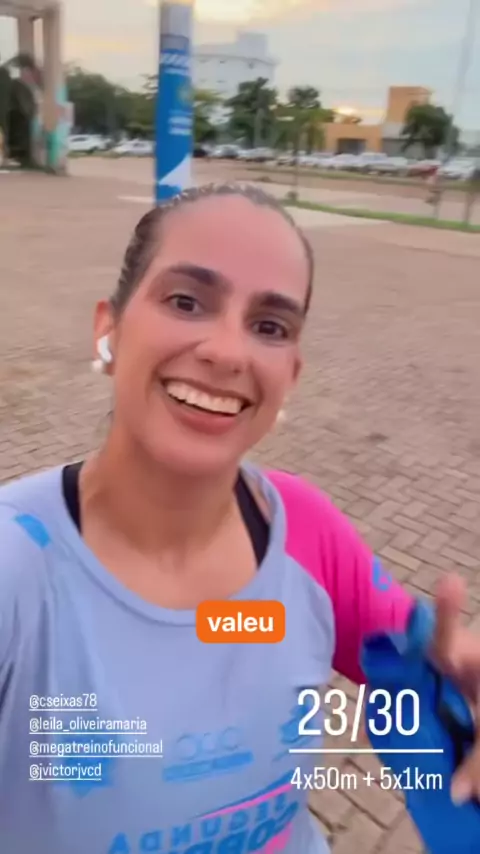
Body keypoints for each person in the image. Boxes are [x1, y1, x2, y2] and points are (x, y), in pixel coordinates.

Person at [0, 183, 479, 854]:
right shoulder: (17, 572)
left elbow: (424, 680)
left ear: (291, 374)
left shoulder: (305, 533)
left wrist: (457, 702)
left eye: (270, 326)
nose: (228, 353)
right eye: (186, 301)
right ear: (109, 329)